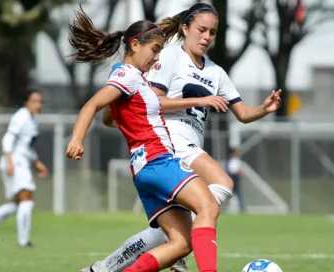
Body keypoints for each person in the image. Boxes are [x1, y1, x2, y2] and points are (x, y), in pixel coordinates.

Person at [87, 3, 282, 272]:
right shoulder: (168, 57)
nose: (207, 37)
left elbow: (243, 113)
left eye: (212, 32)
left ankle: (108, 266)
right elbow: (152, 100)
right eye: (201, 30)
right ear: (185, 28)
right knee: (220, 187)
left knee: (180, 232)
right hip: (170, 142)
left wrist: (264, 109)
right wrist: (200, 99)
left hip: (186, 146)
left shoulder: (216, 73)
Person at [66, 7, 221, 272]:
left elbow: (108, 117)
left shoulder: (132, 80)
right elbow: (92, 105)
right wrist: (77, 139)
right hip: (157, 160)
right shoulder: (127, 75)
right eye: (155, 50)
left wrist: (130, 116)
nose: (157, 57)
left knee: (182, 243)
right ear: (135, 45)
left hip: (144, 168)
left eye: (160, 50)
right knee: (208, 205)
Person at [0, 89, 48, 248]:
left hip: (20, 162)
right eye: (34, 101)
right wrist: (9, 161)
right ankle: (23, 242)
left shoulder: (32, 119)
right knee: (27, 199)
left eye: (40, 101)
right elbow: (8, 138)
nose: (38, 105)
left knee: (16, 204)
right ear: (26, 102)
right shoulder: (21, 117)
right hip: (15, 163)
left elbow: (26, 146)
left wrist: (36, 162)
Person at [226, 148, 245, 213]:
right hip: (232, 180)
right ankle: (225, 208)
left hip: (234, 180)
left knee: (237, 194)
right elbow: (232, 170)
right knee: (229, 194)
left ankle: (242, 208)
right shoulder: (233, 161)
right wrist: (239, 172)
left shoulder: (235, 160)